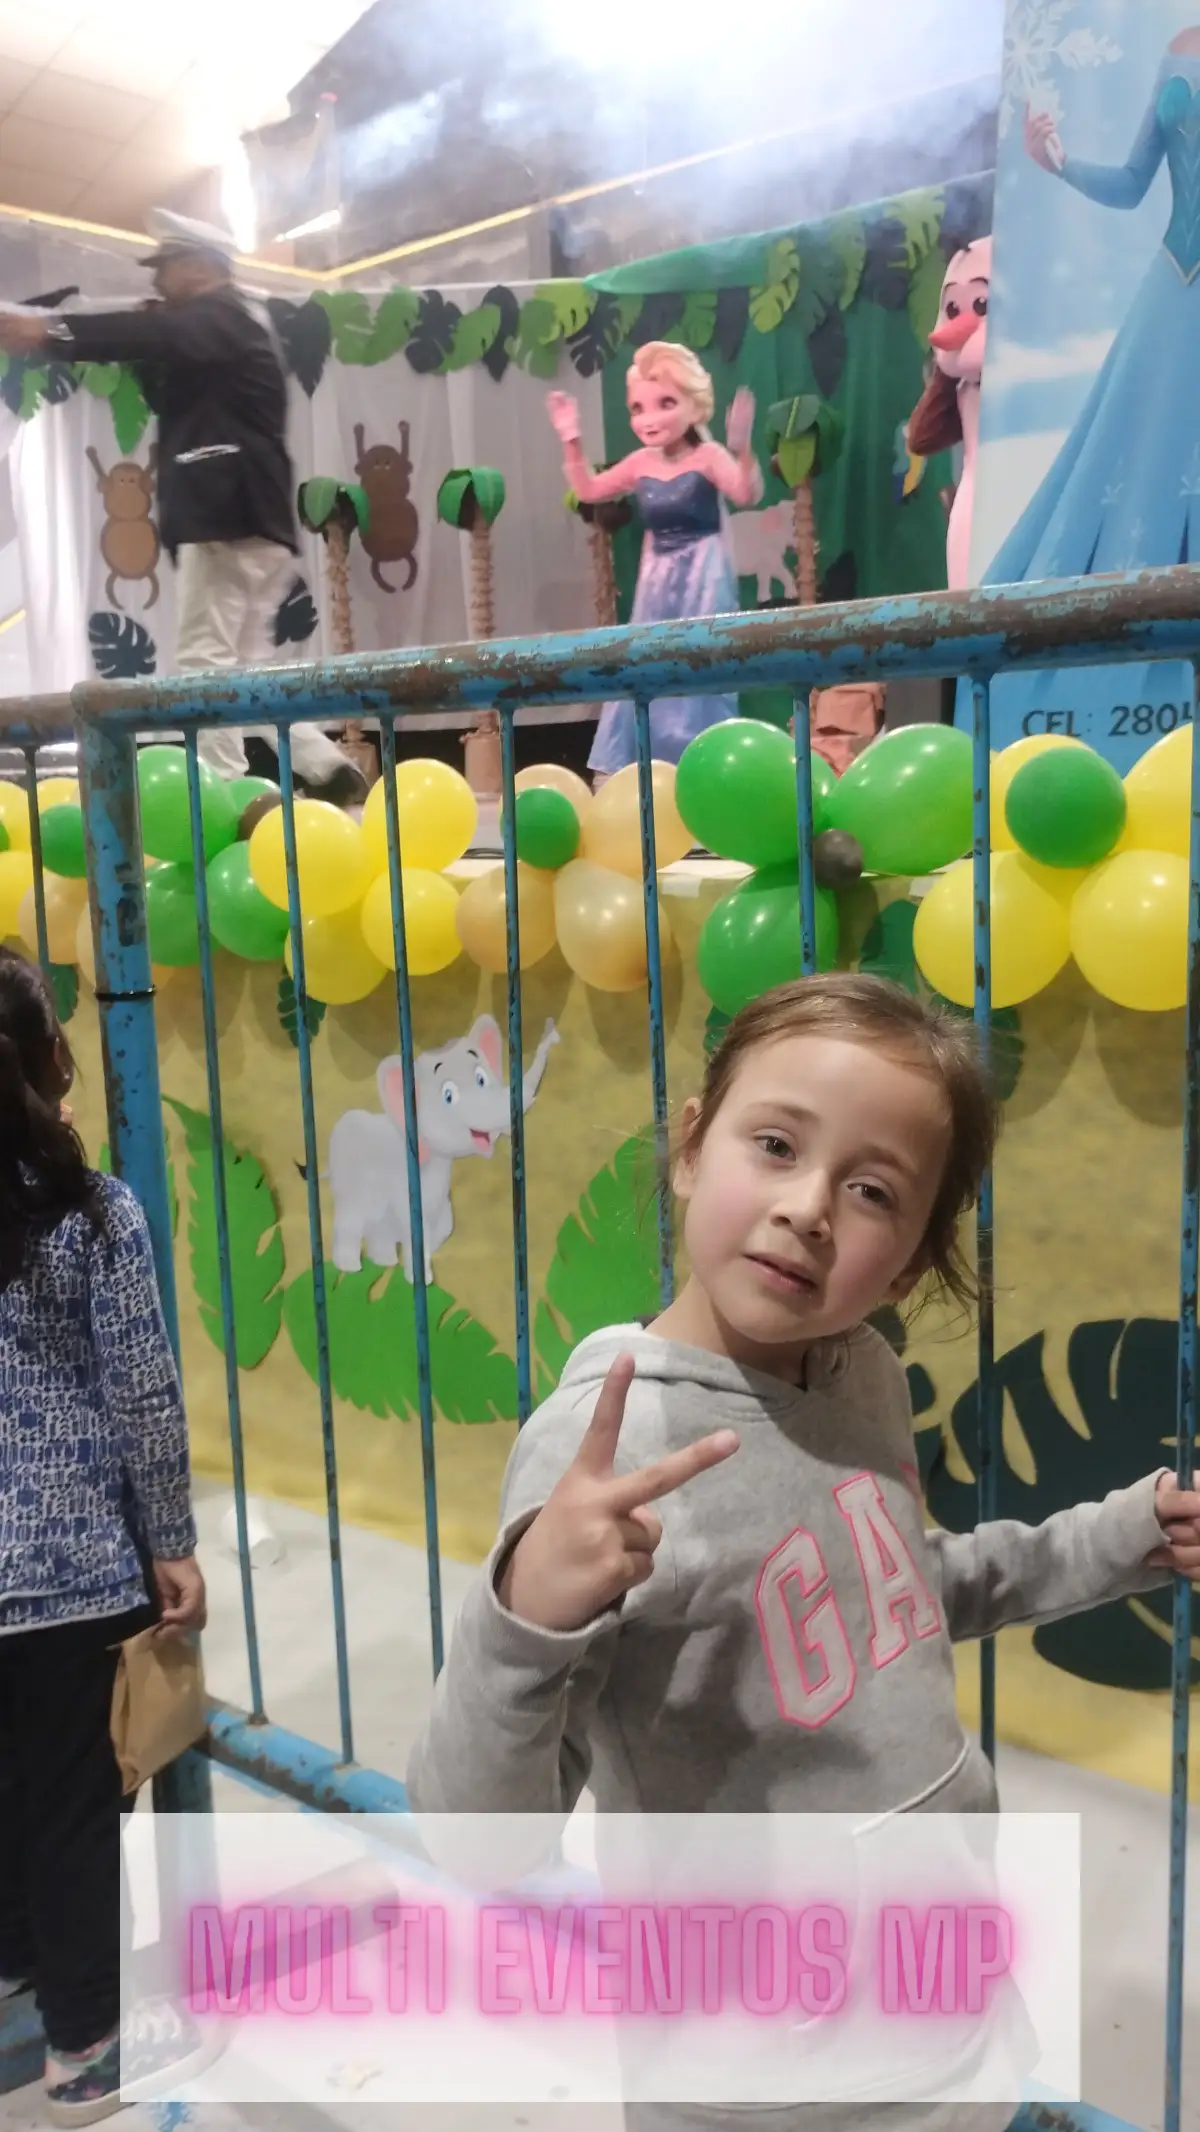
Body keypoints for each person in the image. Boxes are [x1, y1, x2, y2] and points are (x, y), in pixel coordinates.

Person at [408, 971, 1200, 2132]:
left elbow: (898, 1596)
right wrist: (525, 1612)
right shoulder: (612, 1451)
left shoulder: (860, 1372)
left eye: (873, 1190)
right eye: (775, 1144)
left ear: (916, 1259)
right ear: (692, 1145)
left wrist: (1125, 1535)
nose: (809, 1208)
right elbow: (477, 1836)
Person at [0, 949, 208, 2124]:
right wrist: (170, 1538)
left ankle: (18, 1961)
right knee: (77, 1806)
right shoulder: (92, 1210)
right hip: (73, 1574)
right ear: (55, 1062)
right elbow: (142, 1394)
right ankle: (85, 2046)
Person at [0, 209, 365, 804]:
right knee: (245, 666)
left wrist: (48, 331)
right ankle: (324, 766)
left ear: (198, 266)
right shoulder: (232, 324)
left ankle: (226, 790)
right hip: (255, 519)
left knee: (203, 660)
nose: (156, 281)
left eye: (165, 267)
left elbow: (149, 334)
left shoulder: (219, 315)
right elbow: (170, 372)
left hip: (224, 514)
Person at [547, 343, 760, 779]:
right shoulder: (641, 462)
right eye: (638, 408)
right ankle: (643, 768)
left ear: (694, 405)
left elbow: (745, 492)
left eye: (666, 403)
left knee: (702, 663)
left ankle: (706, 767)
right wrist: (571, 439)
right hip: (657, 579)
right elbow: (589, 490)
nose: (650, 418)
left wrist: (741, 449)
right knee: (647, 662)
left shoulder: (708, 456)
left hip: (704, 576)